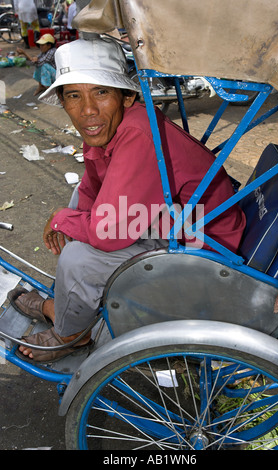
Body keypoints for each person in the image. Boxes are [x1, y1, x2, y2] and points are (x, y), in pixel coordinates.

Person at [8, 37, 246, 362]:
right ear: (63, 101)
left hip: (202, 247)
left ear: (126, 96)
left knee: (79, 260)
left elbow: (109, 234)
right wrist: (74, 217)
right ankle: (70, 305)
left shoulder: (136, 132)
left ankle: (70, 333)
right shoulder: (105, 126)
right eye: (74, 95)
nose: (88, 109)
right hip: (171, 220)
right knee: (80, 203)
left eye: (101, 92)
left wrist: (62, 220)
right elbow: (93, 185)